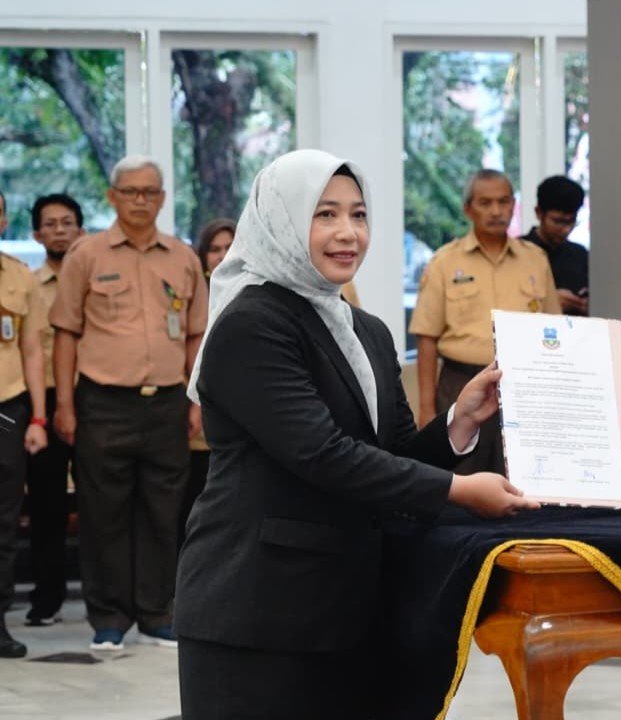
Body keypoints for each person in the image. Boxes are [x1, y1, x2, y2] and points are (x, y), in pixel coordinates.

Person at [175, 150, 537, 720]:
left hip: (350, 606)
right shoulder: (252, 322)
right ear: (282, 221)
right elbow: (321, 453)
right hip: (260, 610)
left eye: (359, 214)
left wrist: (459, 421)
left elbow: (391, 453)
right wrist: (460, 490)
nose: (348, 233)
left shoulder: (364, 329)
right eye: (325, 214)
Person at [49, 155, 207, 652]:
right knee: (104, 513)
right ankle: (110, 618)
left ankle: (158, 613)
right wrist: (65, 405)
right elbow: (66, 333)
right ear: (112, 197)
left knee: (163, 511)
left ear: (162, 199)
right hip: (103, 403)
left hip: (166, 403)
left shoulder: (182, 258)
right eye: (131, 191)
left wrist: (196, 399)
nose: (141, 200)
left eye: (150, 192)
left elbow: (196, 335)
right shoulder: (86, 255)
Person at [409, 169, 560, 473]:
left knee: (523, 478)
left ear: (513, 205)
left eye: (503, 202)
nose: (496, 211)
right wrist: (426, 408)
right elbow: (427, 339)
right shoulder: (445, 262)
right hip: (460, 384)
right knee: (461, 478)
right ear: (468, 209)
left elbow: (554, 330)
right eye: (485, 203)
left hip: (523, 387)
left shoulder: (535, 259)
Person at [23, 193, 84, 627]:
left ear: (81, 229)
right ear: (36, 234)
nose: (59, 230)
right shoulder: (27, 284)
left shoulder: (96, 277)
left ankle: (106, 600)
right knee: (47, 506)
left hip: (94, 398)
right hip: (42, 400)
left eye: (67, 222)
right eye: (50, 224)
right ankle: (47, 597)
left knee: (102, 504)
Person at [0, 188, 51, 658]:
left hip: (8, 408)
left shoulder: (19, 277)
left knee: (4, 522)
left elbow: (32, 350)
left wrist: (37, 417)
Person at [183, 217, 236, 545]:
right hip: (197, 424)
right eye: (214, 249)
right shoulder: (193, 295)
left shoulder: (256, 292)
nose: (222, 255)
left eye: (229, 247)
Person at [522, 175, 589, 316]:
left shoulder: (580, 255)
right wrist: (548, 302)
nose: (566, 230)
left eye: (571, 221)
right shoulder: (517, 253)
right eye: (558, 221)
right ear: (538, 213)